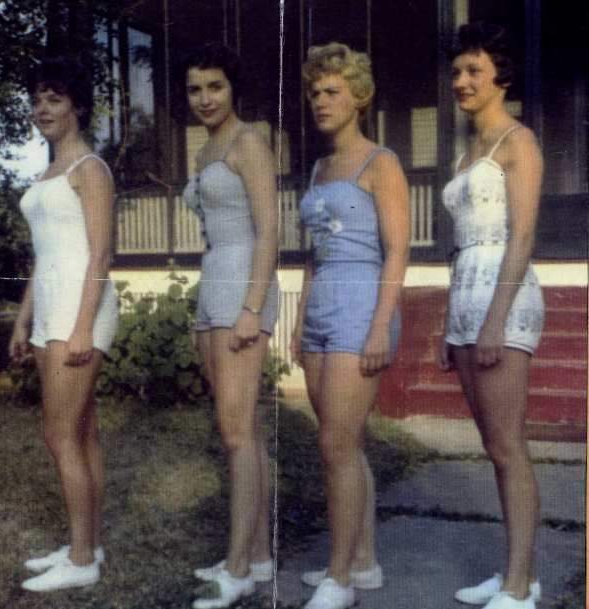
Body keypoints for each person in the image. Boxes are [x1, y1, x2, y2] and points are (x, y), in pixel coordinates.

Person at [290, 42, 410, 609]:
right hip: (320, 313)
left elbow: (398, 250)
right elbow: (313, 254)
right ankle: (362, 562)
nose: (321, 100)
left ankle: (336, 579)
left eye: (332, 91)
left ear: (358, 97)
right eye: (315, 92)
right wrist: (298, 322)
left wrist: (379, 325)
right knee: (343, 444)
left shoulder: (380, 162)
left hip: (362, 306)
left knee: (335, 443)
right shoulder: (319, 166)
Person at [437, 22, 545, 609]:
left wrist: (495, 319)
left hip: (505, 297)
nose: (462, 80)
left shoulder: (518, 142)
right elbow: (461, 244)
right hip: (467, 297)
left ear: (501, 76)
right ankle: (517, 574)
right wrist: (450, 325)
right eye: (457, 71)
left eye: (474, 70)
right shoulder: (465, 152)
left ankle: (519, 588)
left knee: (508, 446)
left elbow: (522, 235)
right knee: (494, 446)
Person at [9, 56, 118, 592]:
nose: (42, 109)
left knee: (58, 435)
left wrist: (80, 328)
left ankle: (81, 563)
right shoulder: (48, 173)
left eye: (53, 98)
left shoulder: (90, 170)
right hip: (51, 308)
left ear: (77, 106)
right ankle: (86, 545)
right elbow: (43, 255)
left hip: (81, 308)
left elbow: (100, 257)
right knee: (82, 433)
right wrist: (23, 320)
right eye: (36, 100)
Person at [179, 42, 280, 609]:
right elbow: (211, 237)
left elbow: (268, 232)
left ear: (232, 88)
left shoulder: (249, 143)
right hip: (215, 284)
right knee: (240, 431)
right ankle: (258, 554)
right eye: (195, 89)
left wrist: (250, 307)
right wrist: (202, 314)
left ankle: (239, 568)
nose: (204, 99)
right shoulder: (204, 152)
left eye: (214, 87)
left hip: (245, 284)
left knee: (237, 432)